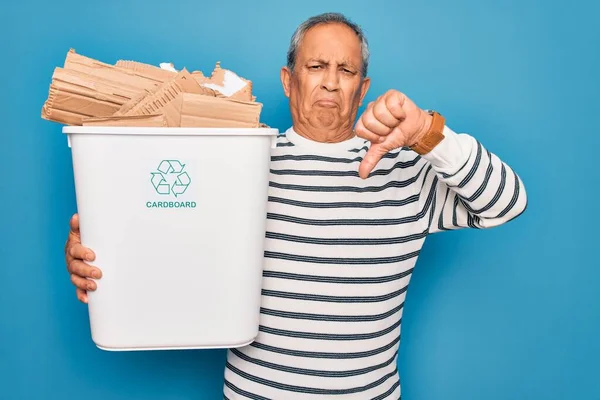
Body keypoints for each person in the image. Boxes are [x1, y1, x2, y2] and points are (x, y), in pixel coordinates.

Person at [64, 12, 527, 399]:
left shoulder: (406, 171)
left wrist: (428, 132)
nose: (330, 83)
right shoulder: (234, 163)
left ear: (362, 89)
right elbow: (163, 234)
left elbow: (506, 203)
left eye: (346, 71)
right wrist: (99, 252)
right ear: (288, 80)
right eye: (316, 67)